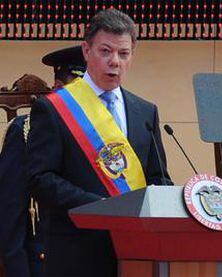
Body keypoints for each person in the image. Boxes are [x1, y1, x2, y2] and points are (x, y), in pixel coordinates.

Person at [27, 8, 171, 277]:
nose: (114, 61)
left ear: (132, 56)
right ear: (86, 51)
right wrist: (101, 206)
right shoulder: (54, 109)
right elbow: (40, 179)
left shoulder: (145, 111)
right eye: (105, 51)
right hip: (77, 249)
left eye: (123, 53)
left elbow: (158, 177)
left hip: (136, 252)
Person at [0, 46, 86, 277]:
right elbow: (10, 213)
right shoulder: (26, 131)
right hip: (45, 264)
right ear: (58, 88)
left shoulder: (105, 134)